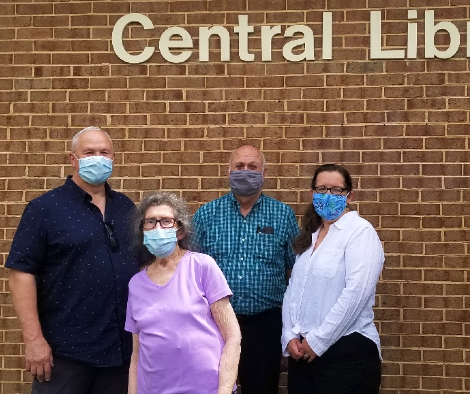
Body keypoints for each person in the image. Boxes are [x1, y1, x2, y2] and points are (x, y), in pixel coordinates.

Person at [5, 126, 138, 394]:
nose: (97, 157)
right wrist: (33, 340)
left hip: (120, 352)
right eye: (89, 152)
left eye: (104, 152)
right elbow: (21, 274)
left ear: (113, 158)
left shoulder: (126, 207)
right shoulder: (44, 209)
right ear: (72, 159)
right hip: (65, 352)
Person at [191, 145, 300, 394]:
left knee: (261, 388)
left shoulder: (282, 215)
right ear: (228, 171)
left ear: (264, 172)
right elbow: (190, 272)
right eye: (239, 167)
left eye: (252, 167)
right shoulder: (206, 215)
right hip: (215, 324)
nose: (245, 172)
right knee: (213, 387)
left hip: (265, 324)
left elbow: (296, 273)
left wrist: (291, 328)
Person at [281, 163, 385, 394]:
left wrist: (318, 341)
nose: (328, 195)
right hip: (303, 355)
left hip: (347, 353)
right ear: (312, 194)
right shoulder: (312, 237)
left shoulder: (360, 232)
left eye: (336, 190)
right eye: (322, 189)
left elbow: (356, 293)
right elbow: (293, 291)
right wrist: (289, 335)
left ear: (349, 196)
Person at [125, 192, 241, 394]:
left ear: (180, 230)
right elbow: (136, 355)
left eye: (166, 221)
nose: (158, 228)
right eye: (150, 222)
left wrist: (223, 390)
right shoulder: (136, 284)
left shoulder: (202, 266)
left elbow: (232, 337)